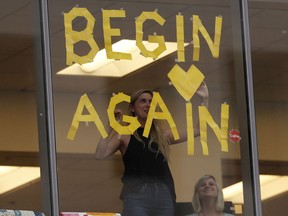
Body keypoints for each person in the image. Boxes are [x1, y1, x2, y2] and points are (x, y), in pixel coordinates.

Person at [95, 83, 209, 216]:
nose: (148, 105)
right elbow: (100, 154)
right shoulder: (125, 134)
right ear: (132, 107)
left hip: (164, 194)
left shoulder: (162, 134)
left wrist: (204, 99)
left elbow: (198, 130)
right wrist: (111, 125)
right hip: (137, 194)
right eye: (142, 101)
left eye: (150, 102)